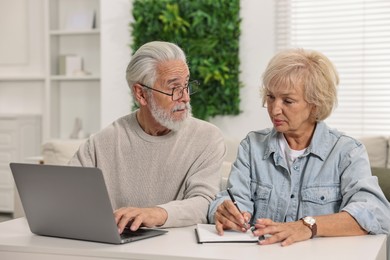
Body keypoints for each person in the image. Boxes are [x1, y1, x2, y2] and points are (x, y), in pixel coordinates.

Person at [208, 48, 390, 246]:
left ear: (316, 104)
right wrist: (224, 212)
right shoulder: (252, 146)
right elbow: (232, 200)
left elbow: (375, 213)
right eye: (270, 97)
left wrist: (309, 225)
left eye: (288, 100)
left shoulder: (347, 152)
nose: (275, 109)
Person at [69, 41, 226, 234]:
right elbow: (64, 192)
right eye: (174, 88)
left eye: (186, 85)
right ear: (141, 94)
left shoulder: (207, 138)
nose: (185, 97)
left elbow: (205, 203)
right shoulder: (104, 140)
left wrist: (157, 214)